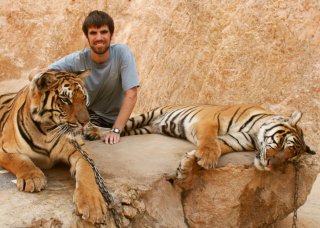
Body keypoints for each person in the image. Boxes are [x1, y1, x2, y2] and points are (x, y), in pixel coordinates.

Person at [49, 10, 139, 145]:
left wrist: (116, 130)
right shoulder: (78, 59)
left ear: (111, 34)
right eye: (93, 33)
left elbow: (131, 94)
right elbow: (41, 74)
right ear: (87, 37)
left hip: (113, 120)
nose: (99, 37)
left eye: (103, 32)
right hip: (87, 118)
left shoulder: (122, 53)